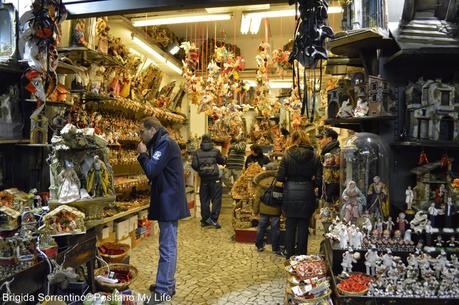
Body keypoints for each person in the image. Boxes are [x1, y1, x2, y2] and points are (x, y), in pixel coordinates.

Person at [137, 117, 190, 304]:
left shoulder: (165, 144)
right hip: (167, 200)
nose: (140, 136)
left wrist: (142, 155)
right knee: (168, 244)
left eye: (141, 132)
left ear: (152, 130)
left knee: (167, 246)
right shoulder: (161, 142)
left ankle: (164, 290)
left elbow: (151, 170)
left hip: (169, 201)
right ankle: (167, 284)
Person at [277, 130, 321, 258]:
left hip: (290, 192)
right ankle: (302, 256)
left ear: (292, 139)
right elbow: (319, 180)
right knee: (303, 226)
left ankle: (289, 255)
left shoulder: (287, 155)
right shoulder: (315, 155)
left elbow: (280, 177)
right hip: (307, 192)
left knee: (290, 225)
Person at [191, 134, 226, 229]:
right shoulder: (216, 151)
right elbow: (222, 161)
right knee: (216, 199)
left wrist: (201, 169)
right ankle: (213, 219)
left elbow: (194, 165)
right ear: (211, 141)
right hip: (215, 179)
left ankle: (205, 220)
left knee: (204, 200)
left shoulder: (197, 152)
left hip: (204, 179)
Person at [252, 170, 282, 256]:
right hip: (275, 209)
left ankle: (259, 245)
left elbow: (257, 198)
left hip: (263, 209)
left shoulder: (261, 181)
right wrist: (284, 212)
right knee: (275, 229)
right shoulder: (279, 182)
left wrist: (255, 210)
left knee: (261, 227)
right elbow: (282, 198)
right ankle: (275, 248)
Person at [316, 128, 340, 205]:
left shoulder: (335, 153)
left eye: (321, 138)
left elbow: (333, 180)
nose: (319, 142)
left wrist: (328, 198)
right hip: (328, 194)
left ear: (329, 139)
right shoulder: (327, 152)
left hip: (332, 197)